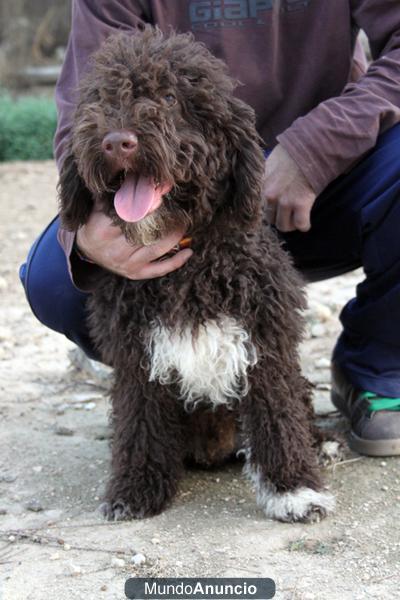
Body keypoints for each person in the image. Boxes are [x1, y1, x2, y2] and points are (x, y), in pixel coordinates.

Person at [20, 0, 400, 456]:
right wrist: (92, 231)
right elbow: (87, 100)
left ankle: (377, 364)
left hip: (326, 184)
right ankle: (179, 388)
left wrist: (318, 147)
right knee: (59, 280)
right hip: (171, 194)